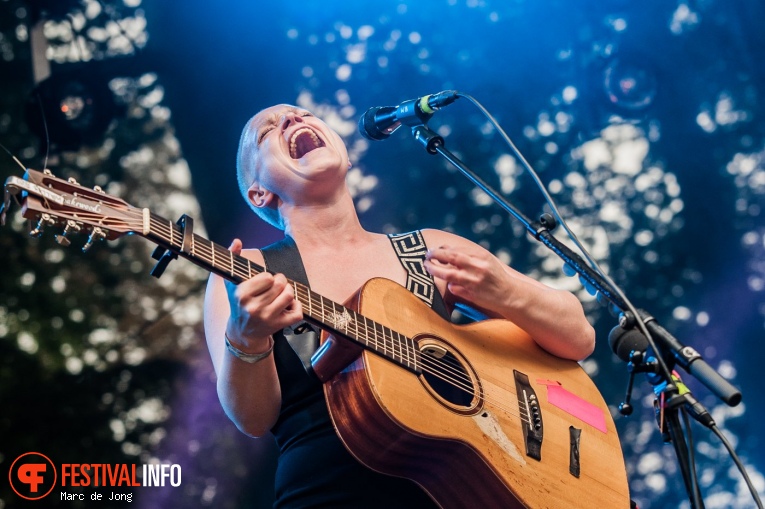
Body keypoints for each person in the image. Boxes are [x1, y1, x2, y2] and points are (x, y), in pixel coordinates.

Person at [203, 104, 596, 508]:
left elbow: (578, 337)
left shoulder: (427, 249)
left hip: (460, 491)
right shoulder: (245, 270)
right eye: (268, 129)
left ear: (346, 153)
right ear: (259, 192)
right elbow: (252, 419)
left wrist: (508, 294)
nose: (293, 120)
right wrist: (246, 336)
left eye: (304, 113)